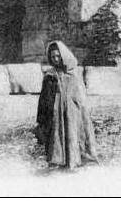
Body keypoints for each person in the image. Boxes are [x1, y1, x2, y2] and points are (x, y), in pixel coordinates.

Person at [35, 40, 99, 169]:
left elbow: (80, 97)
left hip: (72, 113)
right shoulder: (50, 76)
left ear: (63, 55)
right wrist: (41, 118)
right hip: (55, 114)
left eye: (58, 56)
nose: (56, 59)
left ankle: (75, 160)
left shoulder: (73, 73)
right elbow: (43, 99)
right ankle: (58, 161)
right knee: (56, 137)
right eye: (53, 57)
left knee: (73, 135)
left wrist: (79, 111)